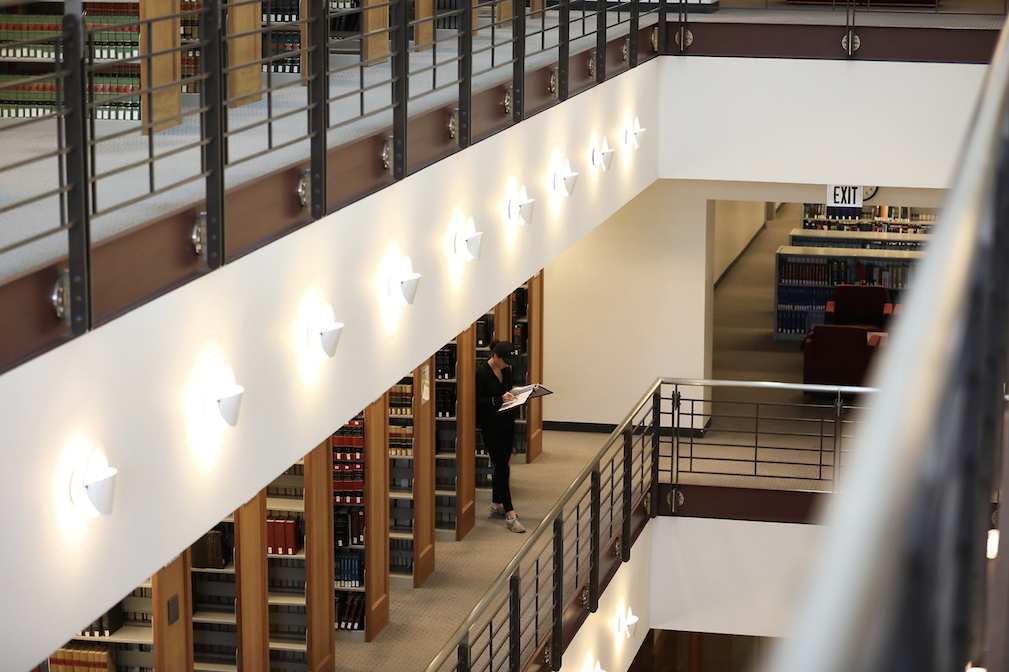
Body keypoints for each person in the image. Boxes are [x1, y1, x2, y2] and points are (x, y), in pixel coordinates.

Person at [476, 340, 525, 533]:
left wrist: (522, 393)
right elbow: (476, 401)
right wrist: (498, 399)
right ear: (496, 356)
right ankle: (510, 514)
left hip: (507, 421)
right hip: (490, 424)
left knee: (504, 462)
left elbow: (509, 390)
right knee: (502, 467)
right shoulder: (481, 372)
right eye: (506, 360)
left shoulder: (506, 370)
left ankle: (497, 504)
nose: (508, 364)